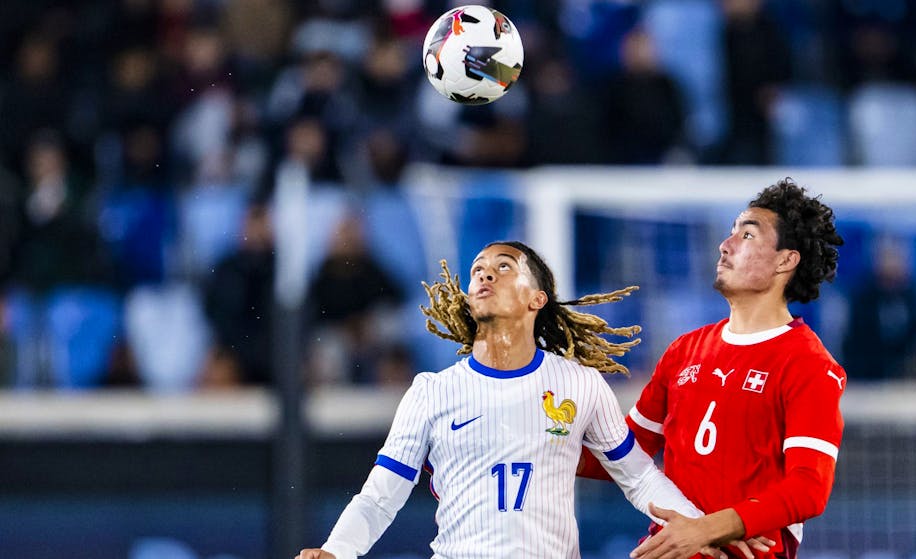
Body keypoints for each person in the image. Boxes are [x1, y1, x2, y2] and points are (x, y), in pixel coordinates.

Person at [297, 241, 714, 559]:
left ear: (537, 298)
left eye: (503, 267)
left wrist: (705, 528)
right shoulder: (431, 390)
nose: (485, 276)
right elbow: (380, 495)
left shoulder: (581, 384)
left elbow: (639, 477)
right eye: (478, 270)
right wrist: (337, 549)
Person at [578, 178, 846, 559]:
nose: (726, 244)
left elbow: (809, 487)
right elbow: (624, 454)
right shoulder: (684, 350)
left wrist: (707, 529)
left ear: (786, 260)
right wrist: (541, 441)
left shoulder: (808, 363)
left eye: (748, 235)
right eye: (730, 232)